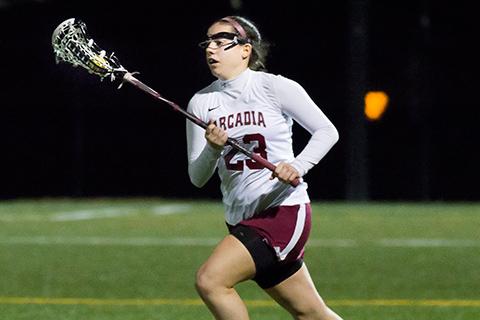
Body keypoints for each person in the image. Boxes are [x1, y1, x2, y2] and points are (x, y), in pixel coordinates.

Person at [186, 15, 342, 320]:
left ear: (246, 49)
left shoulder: (274, 87)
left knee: (211, 281)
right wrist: (213, 149)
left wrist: (297, 166)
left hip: (282, 212)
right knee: (311, 313)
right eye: (208, 42)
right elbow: (197, 176)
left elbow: (327, 131)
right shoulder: (201, 103)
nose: (211, 49)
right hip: (241, 220)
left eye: (221, 42)